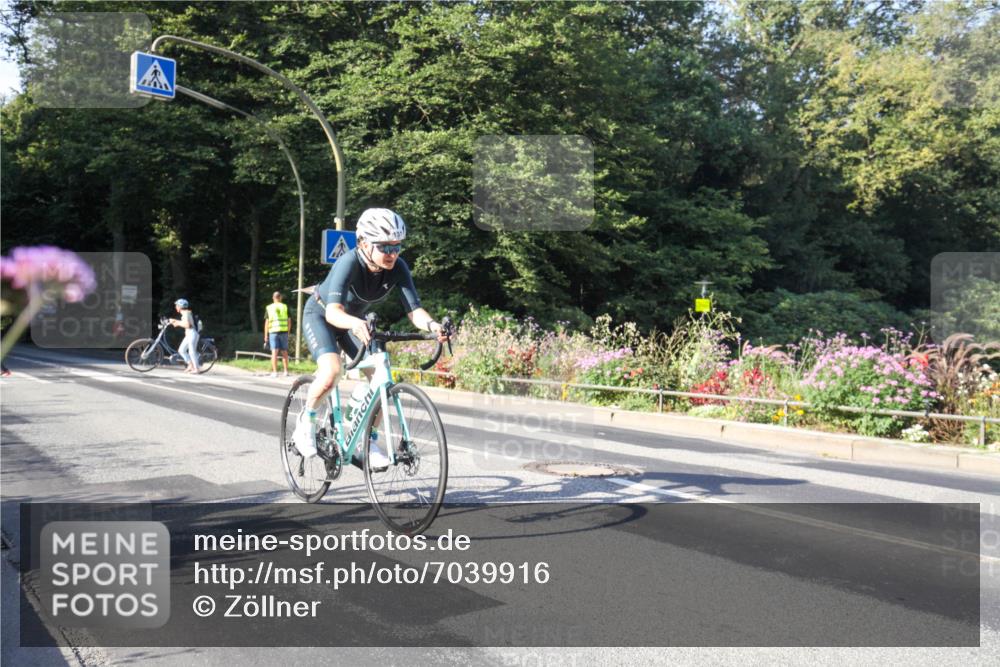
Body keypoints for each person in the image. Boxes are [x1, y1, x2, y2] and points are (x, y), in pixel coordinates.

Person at [292, 208, 450, 468]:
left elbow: (413, 310)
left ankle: (368, 438)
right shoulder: (349, 262)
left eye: (396, 246)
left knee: (379, 376)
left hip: (353, 323)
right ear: (364, 243)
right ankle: (305, 422)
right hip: (322, 315)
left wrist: (433, 325)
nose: (392, 254)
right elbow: (333, 312)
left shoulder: (398, 267)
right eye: (384, 247)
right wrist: (356, 324)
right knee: (332, 372)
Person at [264, 291, 292, 377]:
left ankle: (275, 372)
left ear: (273, 298)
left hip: (273, 332)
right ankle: (286, 371)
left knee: (274, 352)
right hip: (284, 332)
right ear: (280, 298)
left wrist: (266, 336)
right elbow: (289, 321)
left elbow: (267, 323)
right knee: (284, 352)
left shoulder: (269, 307)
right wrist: (288, 332)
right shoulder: (285, 307)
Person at [169, 298, 200, 374]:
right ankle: (190, 365)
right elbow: (186, 324)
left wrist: (176, 322)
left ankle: (197, 369)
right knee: (181, 350)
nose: (176, 307)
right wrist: (176, 322)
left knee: (191, 352)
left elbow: (187, 325)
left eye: (177, 305)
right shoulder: (185, 313)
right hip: (189, 334)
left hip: (192, 333)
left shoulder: (186, 313)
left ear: (180, 306)